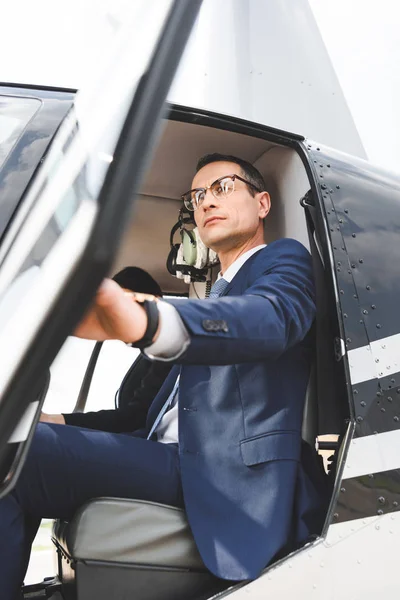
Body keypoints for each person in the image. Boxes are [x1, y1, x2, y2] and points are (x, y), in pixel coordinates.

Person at [1, 153, 326, 599]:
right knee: (20, 440)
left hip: (219, 473)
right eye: (197, 195)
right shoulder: (216, 292)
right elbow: (142, 422)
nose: (206, 201)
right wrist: (62, 423)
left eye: (223, 187)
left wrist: (153, 321)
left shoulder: (282, 261)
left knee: (19, 455)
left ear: (263, 203)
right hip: (168, 458)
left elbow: (271, 317)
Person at [41, 267, 172, 432]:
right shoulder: (148, 353)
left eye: (129, 305)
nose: (119, 315)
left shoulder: (165, 353)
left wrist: (55, 420)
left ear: (155, 302)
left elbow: (135, 417)